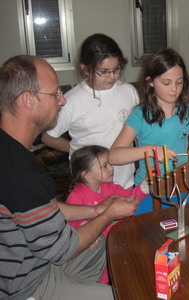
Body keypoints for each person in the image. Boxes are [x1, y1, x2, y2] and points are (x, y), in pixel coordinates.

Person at [0, 55, 138, 300]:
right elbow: (65, 248)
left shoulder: (11, 151)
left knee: (111, 246)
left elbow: (45, 209)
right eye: (55, 94)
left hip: (39, 263)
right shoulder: (20, 174)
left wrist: (95, 212)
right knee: (128, 294)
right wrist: (109, 215)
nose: (63, 100)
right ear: (28, 100)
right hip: (28, 285)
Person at [108, 48, 189, 214]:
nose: (174, 89)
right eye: (166, 83)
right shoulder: (140, 115)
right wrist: (152, 151)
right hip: (149, 191)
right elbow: (113, 156)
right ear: (150, 81)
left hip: (181, 188)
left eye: (179, 82)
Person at [42, 33, 139, 189]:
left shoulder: (129, 92)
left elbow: (136, 131)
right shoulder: (71, 101)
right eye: (104, 71)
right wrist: (78, 151)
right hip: (90, 185)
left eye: (116, 69)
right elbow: (48, 137)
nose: (112, 76)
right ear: (86, 69)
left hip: (125, 180)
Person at [67, 145, 149, 283]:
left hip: (118, 245)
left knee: (121, 275)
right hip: (97, 254)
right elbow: (71, 226)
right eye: (105, 166)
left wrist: (145, 186)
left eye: (109, 164)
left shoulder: (110, 187)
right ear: (87, 174)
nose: (111, 168)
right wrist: (86, 228)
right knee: (103, 280)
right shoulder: (76, 196)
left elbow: (130, 198)